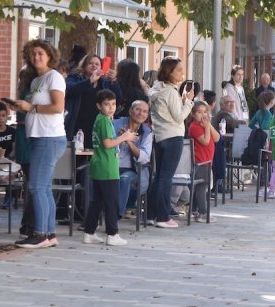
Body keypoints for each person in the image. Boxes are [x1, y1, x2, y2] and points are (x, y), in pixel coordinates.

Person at [9, 40, 66, 249]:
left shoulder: (54, 77)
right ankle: (49, 233)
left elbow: (58, 107)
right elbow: (33, 108)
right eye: (32, 54)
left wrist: (31, 107)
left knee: (36, 186)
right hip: (37, 137)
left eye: (40, 53)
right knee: (45, 188)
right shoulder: (35, 81)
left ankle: (39, 233)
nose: (36, 57)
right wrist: (21, 106)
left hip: (49, 138)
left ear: (50, 56)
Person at [81, 90, 136, 245]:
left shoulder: (101, 119)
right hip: (107, 167)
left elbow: (108, 141)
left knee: (96, 201)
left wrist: (120, 138)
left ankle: (89, 232)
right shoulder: (104, 120)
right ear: (99, 106)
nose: (111, 107)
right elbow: (107, 144)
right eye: (106, 104)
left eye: (113, 104)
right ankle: (112, 234)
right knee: (112, 202)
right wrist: (124, 137)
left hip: (99, 166)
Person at [148, 58, 194, 228]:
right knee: (166, 178)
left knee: (159, 176)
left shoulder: (156, 88)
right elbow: (179, 117)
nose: (182, 72)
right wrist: (189, 101)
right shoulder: (170, 92)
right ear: (169, 72)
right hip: (173, 136)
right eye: (179, 70)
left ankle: (151, 215)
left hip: (159, 136)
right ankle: (163, 217)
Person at [64, 54, 123, 148]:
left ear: (101, 67)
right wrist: (90, 80)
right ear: (84, 65)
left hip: (97, 123)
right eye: (90, 63)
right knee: (77, 153)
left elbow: (118, 98)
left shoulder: (104, 82)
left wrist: (114, 81)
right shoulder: (75, 77)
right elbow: (69, 90)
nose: (94, 66)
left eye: (97, 64)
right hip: (78, 123)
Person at [113, 100, 153, 219]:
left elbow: (144, 158)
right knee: (90, 174)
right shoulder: (115, 124)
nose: (141, 113)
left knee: (124, 179)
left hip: (133, 170)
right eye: (138, 109)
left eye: (145, 111)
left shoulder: (147, 132)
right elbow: (108, 147)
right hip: (112, 165)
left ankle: (116, 215)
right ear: (130, 111)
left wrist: (129, 142)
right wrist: (120, 139)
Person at [187, 101, 218, 222]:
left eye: (205, 112)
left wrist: (209, 126)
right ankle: (203, 213)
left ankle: (194, 210)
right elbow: (205, 141)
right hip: (200, 161)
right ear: (193, 114)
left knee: (201, 186)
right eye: (199, 112)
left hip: (207, 161)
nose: (203, 115)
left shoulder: (205, 125)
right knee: (201, 187)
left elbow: (216, 138)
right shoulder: (194, 126)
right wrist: (206, 128)